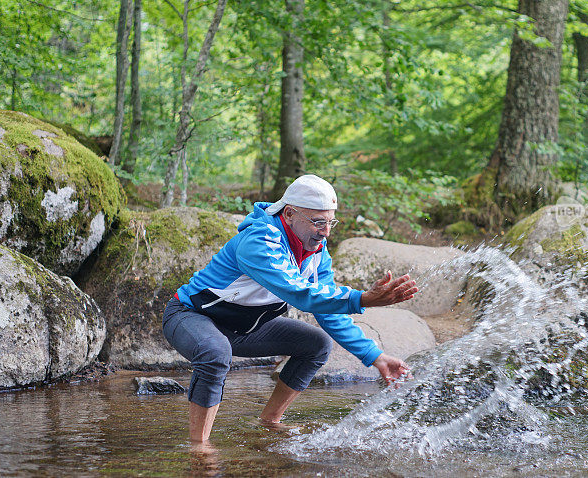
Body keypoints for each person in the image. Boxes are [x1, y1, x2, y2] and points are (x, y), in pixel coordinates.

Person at [162, 174, 418, 442]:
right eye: (318, 222)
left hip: (242, 329)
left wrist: (376, 356)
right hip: (191, 316)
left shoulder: (316, 252)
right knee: (215, 352)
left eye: (331, 222)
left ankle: (268, 422)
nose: (326, 231)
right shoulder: (259, 240)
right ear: (290, 213)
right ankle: (199, 449)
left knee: (316, 344)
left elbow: (327, 309)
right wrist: (361, 299)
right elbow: (296, 291)